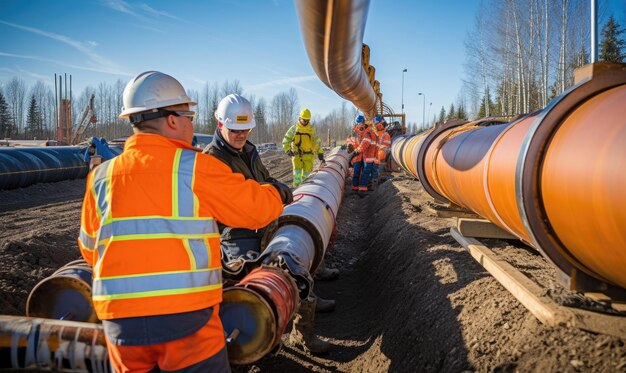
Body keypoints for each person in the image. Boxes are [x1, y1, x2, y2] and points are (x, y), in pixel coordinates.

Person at [77, 71, 288, 372]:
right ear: (172, 120)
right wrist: (274, 192)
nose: (192, 122)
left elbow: (88, 249)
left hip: (120, 324)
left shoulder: (100, 177)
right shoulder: (194, 167)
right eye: (189, 115)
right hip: (187, 318)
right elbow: (256, 210)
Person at [204, 94, 333, 355]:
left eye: (246, 129)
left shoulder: (248, 151)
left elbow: (264, 181)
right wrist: (269, 192)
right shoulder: (213, 160)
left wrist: (274, 188)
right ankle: (275, 330)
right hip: (235, 234)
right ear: (220, 125)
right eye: (235, 130)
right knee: (277, 270)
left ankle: (304, 323)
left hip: (263, 222)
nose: (241, 135)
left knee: (296, 256)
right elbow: (236, 204)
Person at [282, 108, 325, 188]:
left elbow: (317, 142)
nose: (306, 122)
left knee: (307, 176)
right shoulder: (294, 129)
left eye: (307, 120)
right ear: (300, 118)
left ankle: (306, 190)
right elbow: (286, 139)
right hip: (297, 156)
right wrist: (287, 149)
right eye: (304, 120)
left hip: (309, 156)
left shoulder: (311, 130)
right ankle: (296, 191)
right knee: (297, 176)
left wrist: (320, 153)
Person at [354, 115, 377, 193]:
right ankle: (364, 187)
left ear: (361, 123)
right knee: (367, 173)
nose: (357, 125)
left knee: (365, 173)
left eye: (357, 123)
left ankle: (362, 190)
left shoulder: (367, 133)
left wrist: (356, 151)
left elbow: (364, 144)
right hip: (370, 155)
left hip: (368, 156)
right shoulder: (368, 130)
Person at [346, 115, 366, 191]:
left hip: (363, 156)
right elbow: (351, 142)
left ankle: (361, 187)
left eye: (363, 123)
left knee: (363, 173)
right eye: (361, 123)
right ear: (357, 123)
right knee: (356, 173)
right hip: (356, 156)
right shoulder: (354, 132)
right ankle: (355, 188)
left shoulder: (364, 131)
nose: (363, 124)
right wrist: (352, 148)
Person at [371, 115, 391, 189]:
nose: (375, 126)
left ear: (380, 123)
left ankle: (376, 189)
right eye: (375, 124)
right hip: (377, 157)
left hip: (380, 157)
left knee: (377, 174)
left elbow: (385, 148)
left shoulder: (384, 134)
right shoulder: (379, 133)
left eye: (376, 124)